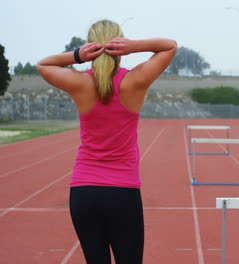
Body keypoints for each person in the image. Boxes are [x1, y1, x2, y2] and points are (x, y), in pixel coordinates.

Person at [37, 19, 177, 264]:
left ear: (91, 46)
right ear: (119, 45)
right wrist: (134, 46)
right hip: (123, 192)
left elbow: (43, 64)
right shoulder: (135, 81)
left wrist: (78, 55)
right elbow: (170, 46)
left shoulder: (79, 82)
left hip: (83, 192)